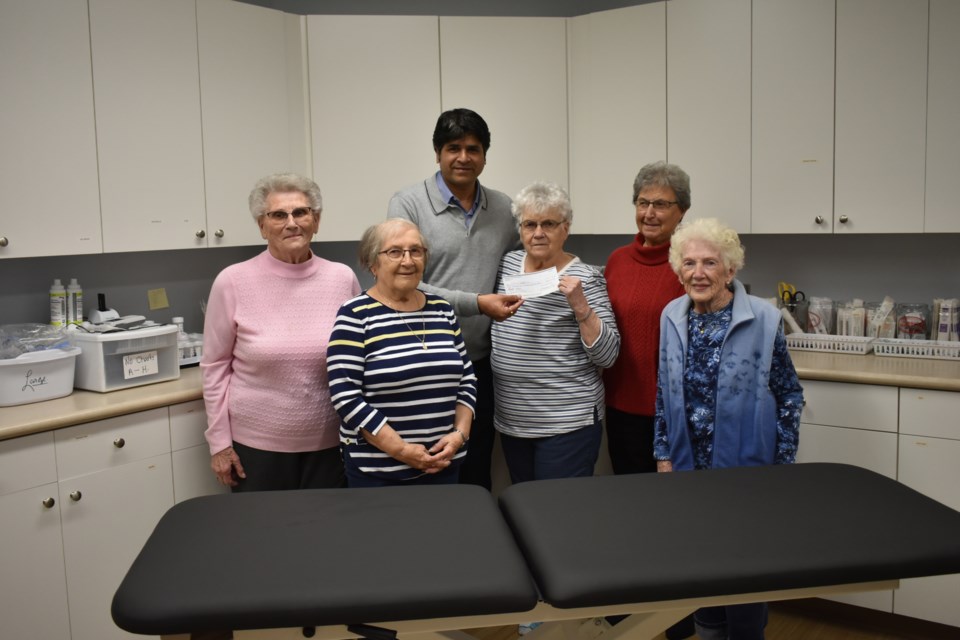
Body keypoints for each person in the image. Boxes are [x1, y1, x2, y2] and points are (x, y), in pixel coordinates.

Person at [654, 217, 804, 640]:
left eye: (709, 263)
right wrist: (663, 454)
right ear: (678, 269)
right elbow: (663, 390)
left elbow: (789, 395)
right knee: (699, 563)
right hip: (688, 466)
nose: (698, 273)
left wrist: (782, 466)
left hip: (747, 468)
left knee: (744, 566)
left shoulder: (765, 318)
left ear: (730, 270)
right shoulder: (672, 315)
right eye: (689, 263)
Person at [387, 107, 522, 490]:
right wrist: (477, 302)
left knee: (475, 468)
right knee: (423, 468)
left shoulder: (504, 209)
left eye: (473, 149)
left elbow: (515, 270)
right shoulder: (408, 204)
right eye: (453, 148)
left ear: (484, 155)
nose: (463, 158)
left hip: (480, 364)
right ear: (437, 153)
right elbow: (403, 282)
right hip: (422, 361)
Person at [201, 173, 361, 492]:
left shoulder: (342, 278)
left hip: (332, 446)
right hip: (257, 451)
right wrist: (219, 443)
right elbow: (215, 368)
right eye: (278, 215)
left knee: (326, 535)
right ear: (262, 225)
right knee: (265, 537)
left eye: (301, 212)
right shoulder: (232, 281)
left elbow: (357, 359)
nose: (292, 223)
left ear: (316, 220)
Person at [326, 219, 477, 487]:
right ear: (373, 263)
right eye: (395, 252)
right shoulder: (355, 315)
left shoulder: (442, 309)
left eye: (416, 251)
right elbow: (346, 396)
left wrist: (459, 435)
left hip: (445, 463)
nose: (408, 260)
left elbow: (466, 379)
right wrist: (402, 450)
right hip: (379, 471)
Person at [490, 182, 620, 484]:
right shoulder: (507, 264)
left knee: (559, 514)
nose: (538, 233)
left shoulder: (586, 278)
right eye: (530, 224)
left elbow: (609, 355)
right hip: (514, 423)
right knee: (524, 508)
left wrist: (580, 306)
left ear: (566, 227)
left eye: (548, 223)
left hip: (568, 424)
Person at [604, 161, 689, 475]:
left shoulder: (690, 264)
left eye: (662, 204)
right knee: (630, 499)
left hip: (673, 411)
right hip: (619, 408)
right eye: (643, 203)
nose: (649, 213)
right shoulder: (616, 261)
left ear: (682, 210)